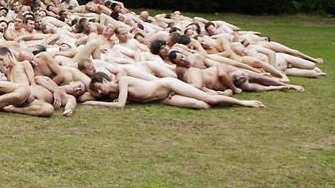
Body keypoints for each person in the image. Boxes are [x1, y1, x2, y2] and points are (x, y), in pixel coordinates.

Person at [84, 72, 265, 110]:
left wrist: (93, 102)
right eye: (99, 92)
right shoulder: (114, 93)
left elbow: (121, 106)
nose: (103, 92)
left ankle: (243, 102)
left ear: (106, 80)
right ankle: (221, 94)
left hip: (168, 86)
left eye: (101, 87)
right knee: (201, 106)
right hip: (159, 99)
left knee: (212, 101)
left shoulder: (122, 81)